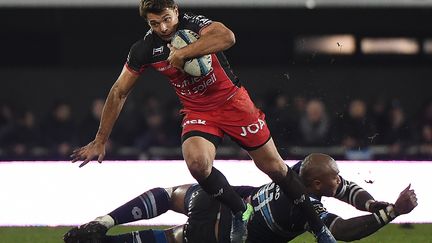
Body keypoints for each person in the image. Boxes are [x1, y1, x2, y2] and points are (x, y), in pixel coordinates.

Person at [69, 1, 334, 242]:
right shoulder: (144, 49)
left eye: (166, 19)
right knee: (197, 164)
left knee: (275, 169)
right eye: (154, 23)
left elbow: (227, 37)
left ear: (175, 10)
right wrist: (100, 140)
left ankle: (319, 229)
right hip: (198, 111)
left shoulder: (194, 24)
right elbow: (119, 91)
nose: (162, 27)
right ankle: (240, 209)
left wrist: (185, 53)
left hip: (234, 103)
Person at [63, 153, 418, 243]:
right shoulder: (305, 209)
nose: (340, 182)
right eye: (333, 179)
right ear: (315, 186)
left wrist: (373, 204)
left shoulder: (297, 172)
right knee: (172, 238)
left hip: (225, 200)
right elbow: (341, 231)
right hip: (223, 234)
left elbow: (345, 188)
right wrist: (391, 214)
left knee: (169, 195)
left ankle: (103, 222)